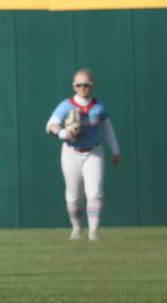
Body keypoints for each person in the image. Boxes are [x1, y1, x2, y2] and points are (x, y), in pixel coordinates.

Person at [46, 68, 121, 241]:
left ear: (92, 86)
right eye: (79, 85)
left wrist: (115, 150)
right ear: (74, 86)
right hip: (71, 152)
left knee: (94, 192)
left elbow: (108, 128)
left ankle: (94, 232)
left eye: (86, 85)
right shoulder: (66, 105)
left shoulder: (99, 106)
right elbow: (50, 125)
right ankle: (77, 228)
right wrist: (64, 133)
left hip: (93, 152)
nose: (83, 88)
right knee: (73, 195)